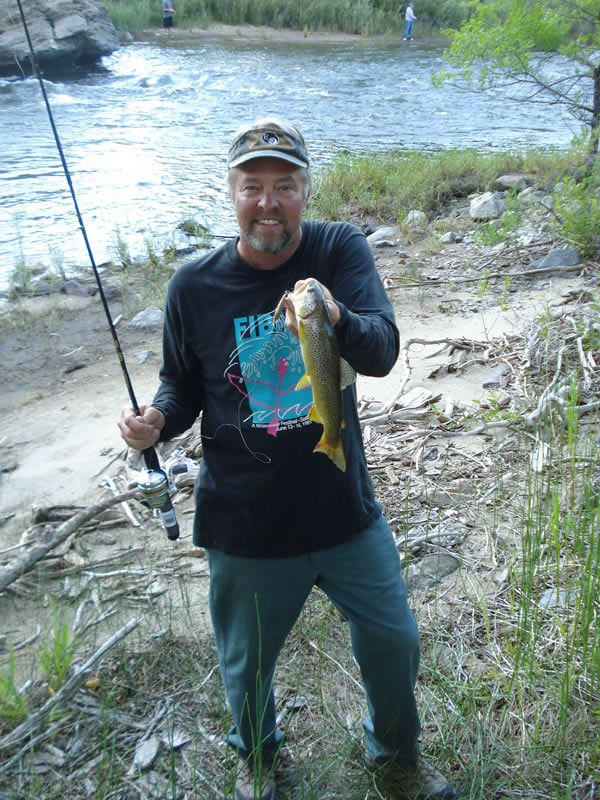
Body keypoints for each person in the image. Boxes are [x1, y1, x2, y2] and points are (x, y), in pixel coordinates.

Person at [118, 116, 456, 800]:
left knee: (395, 640)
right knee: (246, 669)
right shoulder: (193, 285)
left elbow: (383, 350)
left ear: (306, 189)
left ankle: (394, 756)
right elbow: (181, 383)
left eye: (285, 185)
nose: (268, 202)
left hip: (343, 509)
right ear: (231, 194)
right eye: (253, 187)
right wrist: (157, 421)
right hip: (245, 522)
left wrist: (336, 317)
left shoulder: (337, 251)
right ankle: (262, 762)